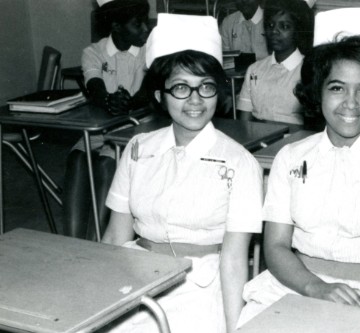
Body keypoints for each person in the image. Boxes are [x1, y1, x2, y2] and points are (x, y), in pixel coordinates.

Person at [237, 7, 360, 327]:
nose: (350, 103)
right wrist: (316, 288)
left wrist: (356, 306)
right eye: (337, 88)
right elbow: (276, 246)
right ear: (317, 92)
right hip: (291, 286)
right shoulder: (291, 158)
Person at [102, 13, 263, 333]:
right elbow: (115, 239)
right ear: (160, 96)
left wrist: (235, 328)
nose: (195, 100)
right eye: (180, 88)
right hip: (135, 279)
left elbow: (233, 260)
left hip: (200, 288)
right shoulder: (137, 149)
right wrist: (95, 303)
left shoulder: (240, 163)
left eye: (206, 87)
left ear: (219, 92)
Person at [64, 0, 150, 239]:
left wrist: (129, 103)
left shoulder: (148, 50)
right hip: (99, 131)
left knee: (106, 163)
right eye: (137, 24)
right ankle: (72, 243)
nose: (145, 28)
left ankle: (98, 243)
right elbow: (95, 87)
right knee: (77, 159)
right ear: (116, 26)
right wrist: (108, 100)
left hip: (134, 131)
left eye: (145, 21)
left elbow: (146, 92)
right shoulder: (93, 52)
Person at [236, 0, 313, 125]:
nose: (274, 32)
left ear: (298, 30)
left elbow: (311, 128)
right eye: (270, 25)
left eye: (284, 26)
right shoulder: (254, 70)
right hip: (257, 141)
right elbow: (244, 122)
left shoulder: (308, 70)